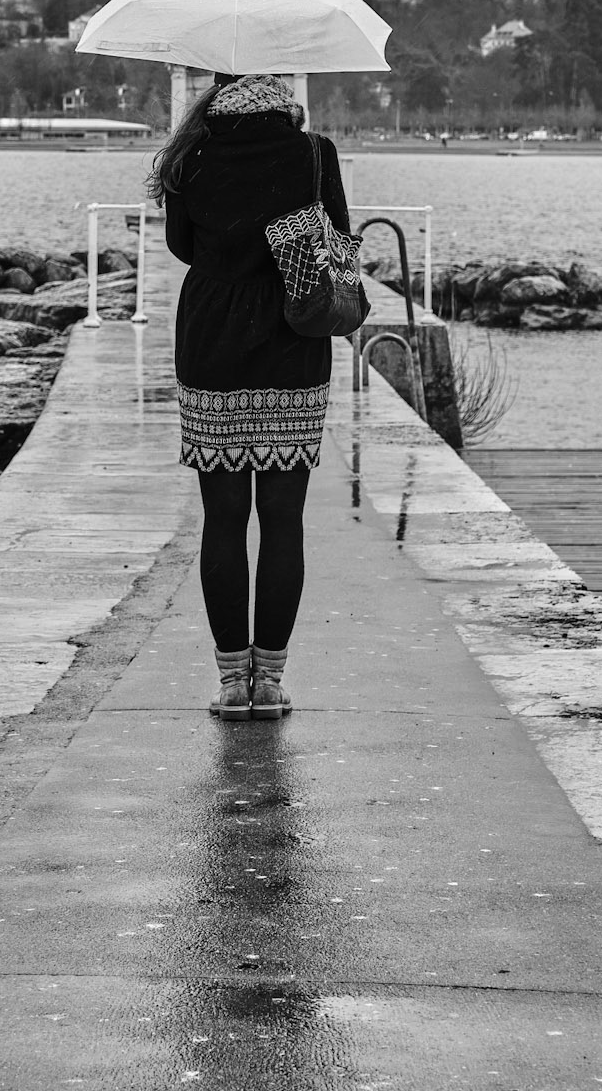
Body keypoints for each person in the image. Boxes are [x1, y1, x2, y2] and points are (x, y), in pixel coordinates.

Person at [149, 71, 351, 720]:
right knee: (284, 517)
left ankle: (232, 683)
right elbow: (339, 243)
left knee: (224, 515)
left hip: (211, 336)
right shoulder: (313, 153)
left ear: (215, 84)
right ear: (279, 82)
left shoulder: (191, 153)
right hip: (292, 336)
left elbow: (182, 246)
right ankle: (271, 682)